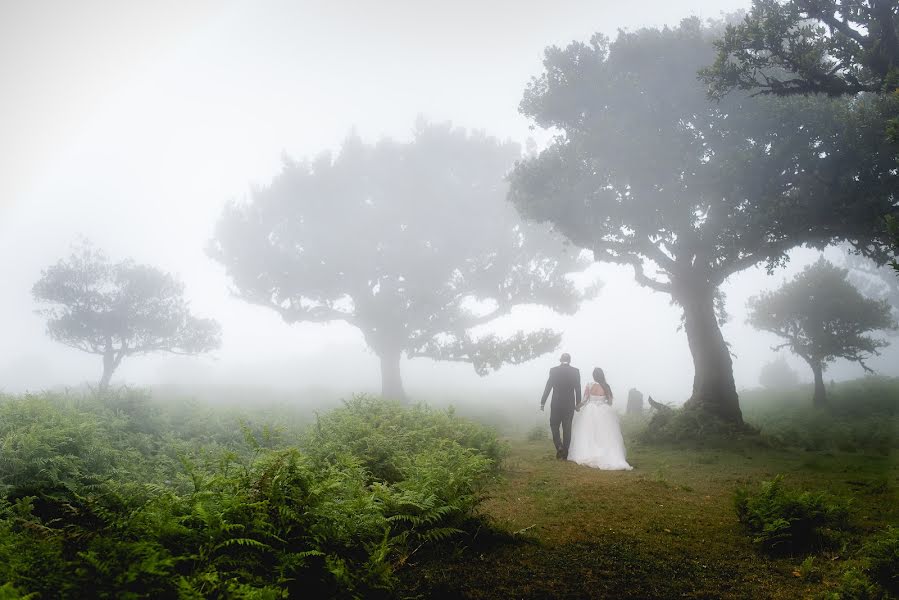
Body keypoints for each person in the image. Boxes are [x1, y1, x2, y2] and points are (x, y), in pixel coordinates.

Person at [568, 368, 632, 470]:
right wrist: (602, 402)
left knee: (589, 432)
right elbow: (610, 402)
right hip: (604, 411)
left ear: (593, 375)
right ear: (602, 375)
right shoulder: (606, 387)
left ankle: (589, 452)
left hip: (589, 411)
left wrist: (578, 406)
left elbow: (584, 400)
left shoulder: (589, 385)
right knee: (605, 434)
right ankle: (607, 454)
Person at [540, 353, 581, 459]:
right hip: (569, 404)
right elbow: (578, 388)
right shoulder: (575, 371)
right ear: (570, 360)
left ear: (560, 360)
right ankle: (565, 453)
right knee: (567, 428)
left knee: (554, 425)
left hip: (556, 403)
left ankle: (559, 446)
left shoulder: (553, 370)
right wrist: (578, 403)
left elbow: (548, 386)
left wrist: (542, 402)